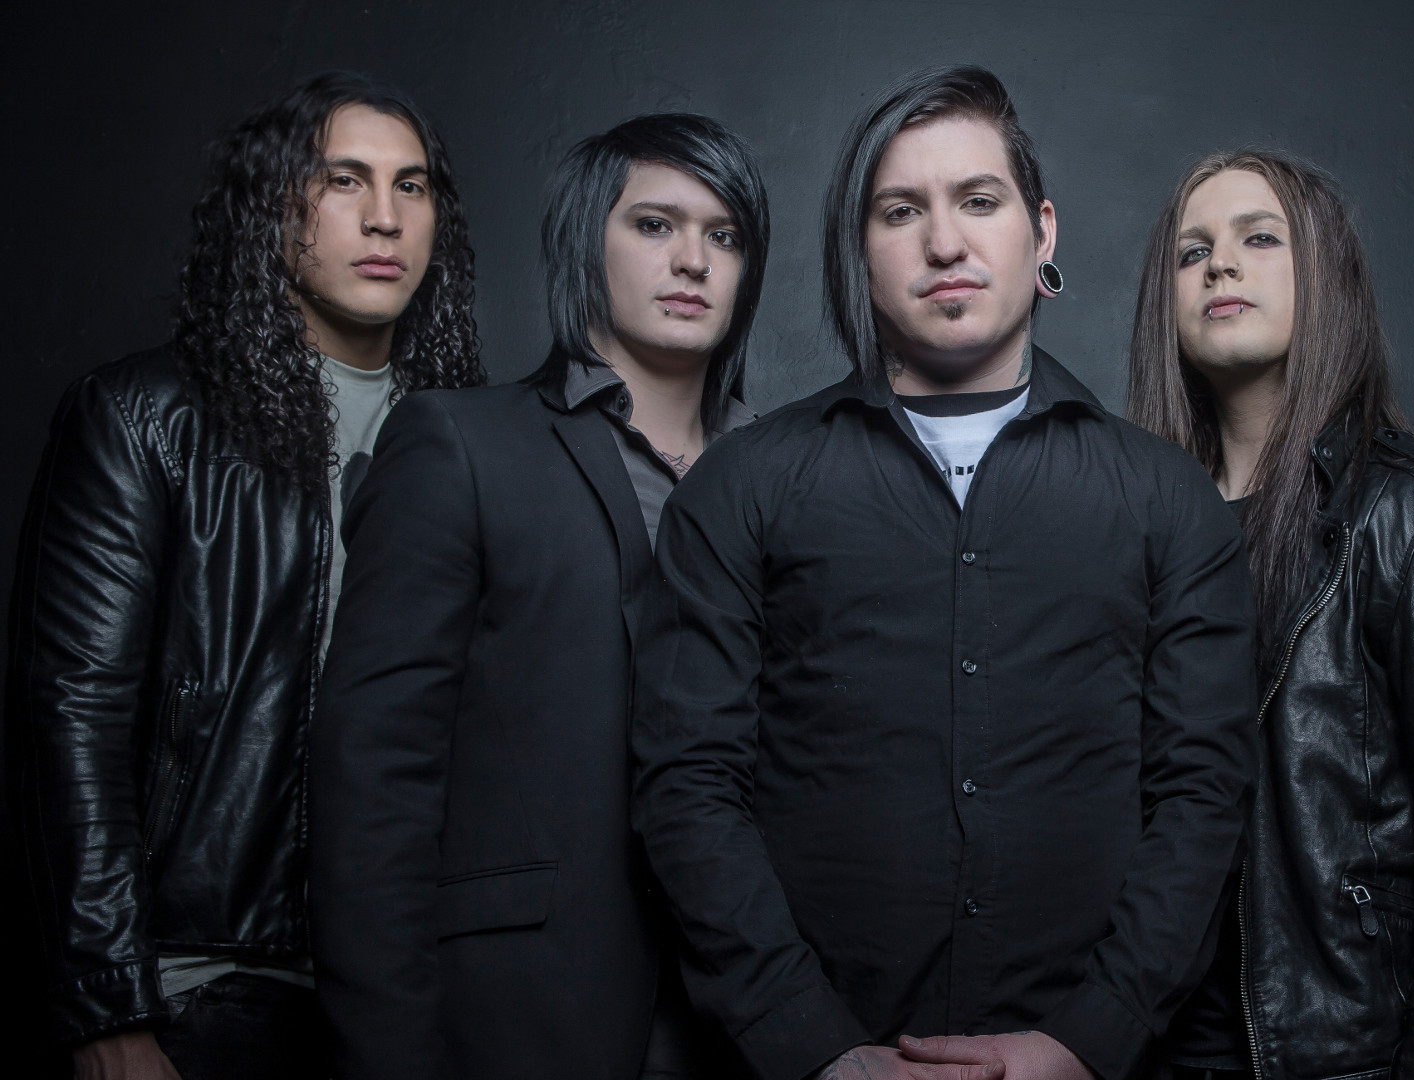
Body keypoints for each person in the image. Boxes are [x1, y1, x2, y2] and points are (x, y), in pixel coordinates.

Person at [631, 66, 1257, 1080]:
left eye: (978, 200)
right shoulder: (742, 486)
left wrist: (1087, 1040)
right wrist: (813, 1047)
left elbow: (1201, 796)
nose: (945, 243)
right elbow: (688, 787)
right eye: (900, 211)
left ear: (1041, 231)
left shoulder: (1167, 498)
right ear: (860, 247)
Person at [5, 71, 482, 1080]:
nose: (385, 217)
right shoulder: (146, 417)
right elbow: (72, 714)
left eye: (412, 185)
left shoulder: (478, 440)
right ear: (273, 207)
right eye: (343, 180)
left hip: (409, 986)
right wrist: (106, 1007)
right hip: (203, 980)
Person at [308, 113, 767, 1079]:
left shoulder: (785, 476)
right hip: (519, 1018)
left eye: (724, 235)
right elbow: (373, 784)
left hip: (744, 1025)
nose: (693, 260)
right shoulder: (459, 446)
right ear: (584, 240)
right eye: (654, 224)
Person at [1127, 148, 1414, 1079]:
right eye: (1192, 251)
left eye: (1259, 238)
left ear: (1329, 275)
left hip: (1342, 1056)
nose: (1220, 265)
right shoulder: (1132, 532)